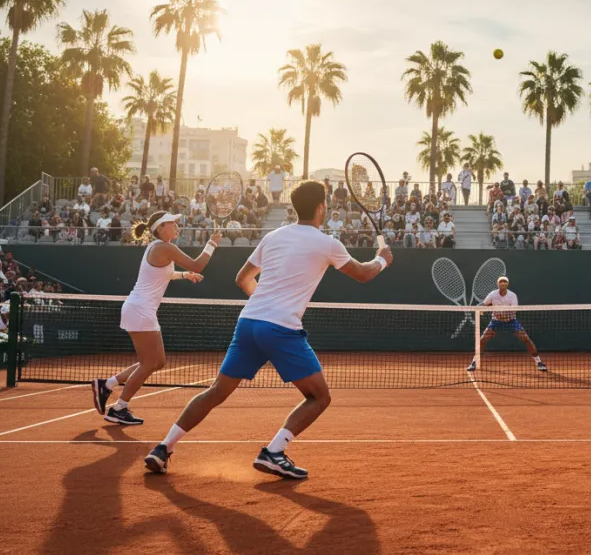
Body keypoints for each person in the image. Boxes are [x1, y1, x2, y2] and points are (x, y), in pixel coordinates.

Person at [144, 181, 392, 478]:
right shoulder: (328, 243)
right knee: (319, 397)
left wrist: (265, 304)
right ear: (321, 208)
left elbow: (242, 279)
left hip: (249, 323)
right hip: (281, 328)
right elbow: (363, 274)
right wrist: (382, 259)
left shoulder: (273, 236)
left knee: (216, 391)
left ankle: (163, 448)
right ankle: (274, 452)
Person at [91, 213, 222, 426]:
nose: (177, 226)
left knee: (157, 362)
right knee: (149, 363)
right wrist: (212, 243)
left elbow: (163, 274)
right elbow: (197, 265)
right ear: (160, 228)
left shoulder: (157, 247)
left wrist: (183, 275)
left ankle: (108, 384)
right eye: (172, 223)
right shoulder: (164, 247)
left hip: (140, 310)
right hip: (140, 310)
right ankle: (119, 407)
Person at [466, 276, 544, 373]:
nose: (503, 283)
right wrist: (479, 307)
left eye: (504, 282)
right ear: (498, 284)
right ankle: (474, 362)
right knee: (482, 340)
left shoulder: (512, 295)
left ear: (507, 284)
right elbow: (484, 303)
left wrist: (499, 310)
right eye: (501, 282)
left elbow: (514, 310)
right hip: (496, 321)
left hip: (511, 321)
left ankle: (538, 362)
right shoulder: (493, 294)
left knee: (525, 339)